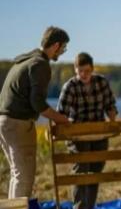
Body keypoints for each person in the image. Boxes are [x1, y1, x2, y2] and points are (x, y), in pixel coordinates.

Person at [0, 26, 70, 198]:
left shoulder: (25, 60)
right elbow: (37, 103)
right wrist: (61, 119)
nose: (62, 52)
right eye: (63, 48)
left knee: (17, 175)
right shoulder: (40, 65)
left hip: (5, 122)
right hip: (18, 124)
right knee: (23, 177)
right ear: (55, 45)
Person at [57, 52, 118, 209]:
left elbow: (110, 105)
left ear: (92, 69)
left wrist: (111, 122)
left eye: (87, 71)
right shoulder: (70, 86)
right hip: (77, 134)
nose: (84, 75)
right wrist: (65, 129)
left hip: (99, 133)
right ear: (75, 69)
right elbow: (61, 113)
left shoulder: (101, 82)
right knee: (81, 170)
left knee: (95, 170)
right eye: (80, 71)